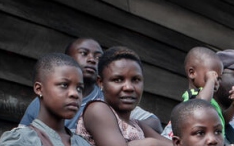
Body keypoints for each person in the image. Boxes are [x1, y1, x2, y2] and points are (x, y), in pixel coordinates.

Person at [20, 37, 163, 133]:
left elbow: (151, 121)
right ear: (67, 59)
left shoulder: (105, 97)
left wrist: (119, 131)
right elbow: (21, 135)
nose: (92, 60)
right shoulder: (41, 102)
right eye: (84, 53)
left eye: (98, 57)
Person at [181, 46, 234, 128]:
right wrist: (210, 81)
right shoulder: (192, 95)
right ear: (192, 73)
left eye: (218, 78)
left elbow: (223, 120)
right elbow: (201, 104)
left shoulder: (212, 101)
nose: (216, 82)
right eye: (211, 76)